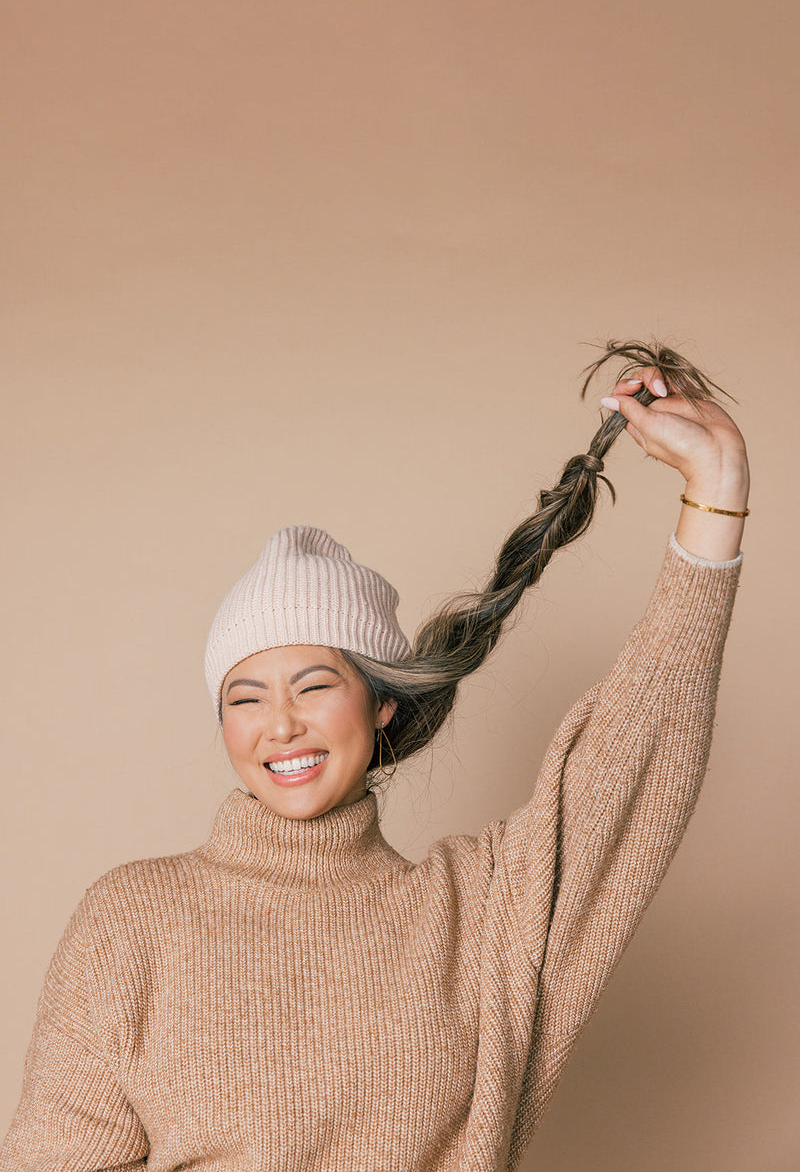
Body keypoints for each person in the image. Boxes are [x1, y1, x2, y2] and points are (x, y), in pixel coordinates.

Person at [0, 343, 750, 1171]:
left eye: (313, 686)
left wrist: (714, 494)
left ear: (383, 703)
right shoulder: (130, 918)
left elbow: (633, 765)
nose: (279, 725)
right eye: (244, 698)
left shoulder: (479, 914)